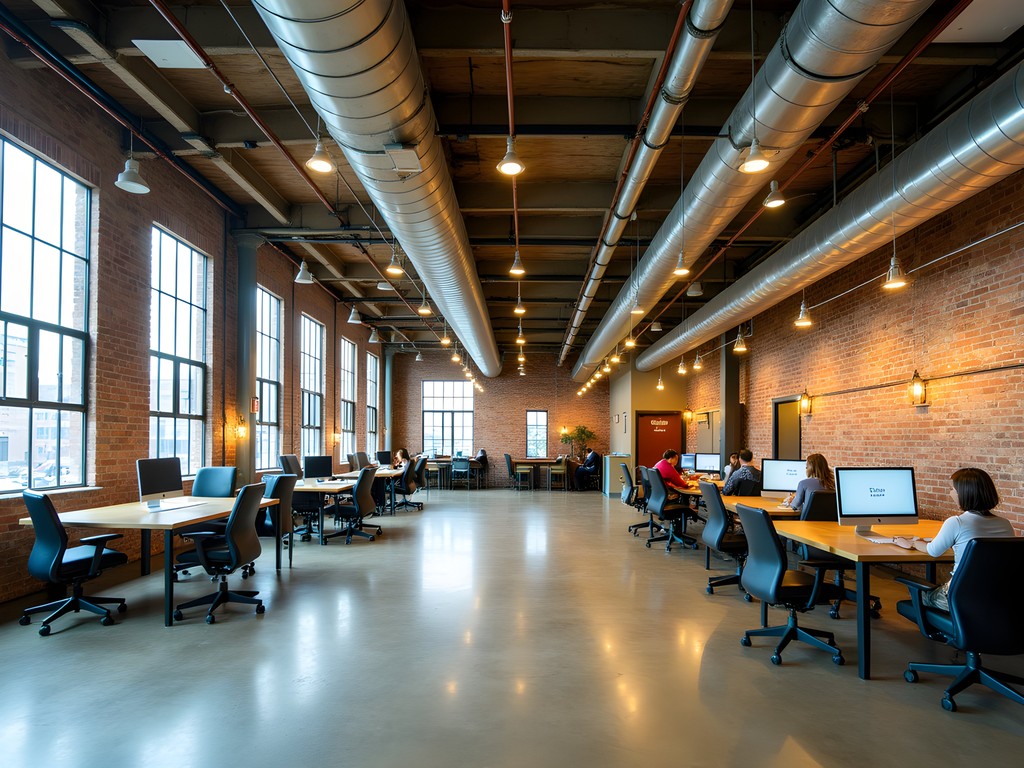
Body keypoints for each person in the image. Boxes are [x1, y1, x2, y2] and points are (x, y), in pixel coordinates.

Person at [895, 467, 1014, 611]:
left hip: (957, 598)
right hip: (995, 597)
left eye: (953, 489)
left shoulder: (957, 522)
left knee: (918, 594)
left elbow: (933, 551)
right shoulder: (1005, 524)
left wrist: (913, 542)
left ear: (964, 494)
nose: (950, 493)